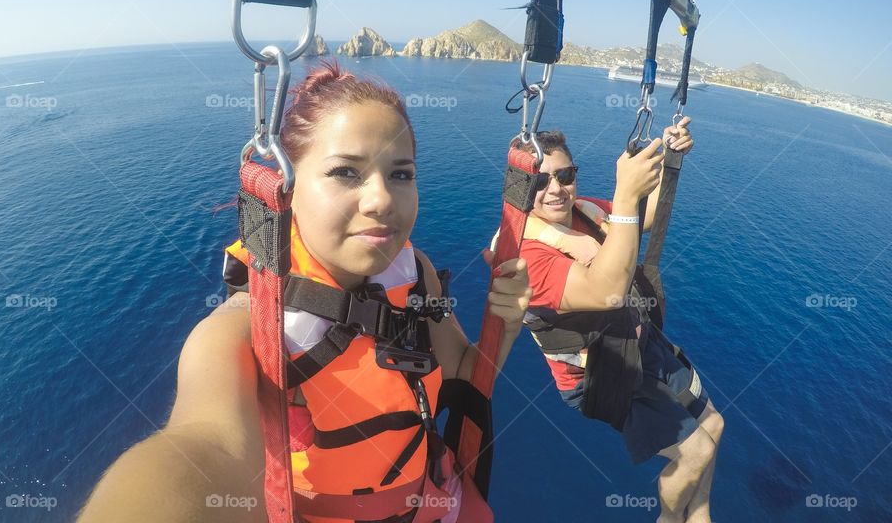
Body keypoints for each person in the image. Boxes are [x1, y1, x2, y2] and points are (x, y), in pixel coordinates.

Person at [78, 60, 531, 523]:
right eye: (345, 172)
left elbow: (464, 371)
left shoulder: (416, 274)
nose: (381, 200)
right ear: (286, 189)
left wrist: (507, 323)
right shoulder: (245, 328)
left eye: (401, 174)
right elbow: (207, 448)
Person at [513, 122, 723, 523]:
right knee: (696, 451)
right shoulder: (527, 255)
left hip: (639, 343)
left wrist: (671, 161)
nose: (555, 189)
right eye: (539, 180)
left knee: (714, 424)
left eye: (565, 175)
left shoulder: (582, 211)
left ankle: (699, 518)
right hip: (600, 372)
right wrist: (626, 195)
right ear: (520, 186)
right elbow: (606, 292)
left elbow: (641, 218)